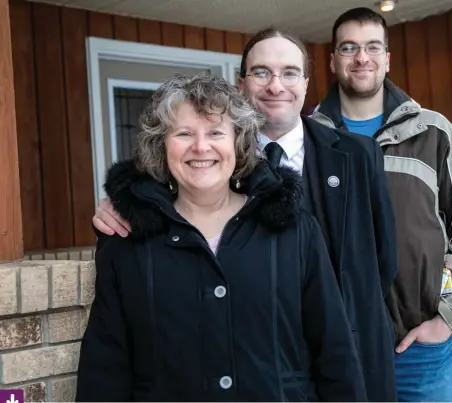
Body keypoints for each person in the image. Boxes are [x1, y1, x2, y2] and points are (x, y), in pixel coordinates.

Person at [92, 29, 399, 402]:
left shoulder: (319, 200)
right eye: (184, 133)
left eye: (215, 133)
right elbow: (106, 364)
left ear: (236, 143)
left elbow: (382, 263)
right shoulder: (131, 239)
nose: (201, 146)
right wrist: (125, 202)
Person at [309, 7, 452, 402]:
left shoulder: (432, 133)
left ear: (387, 59)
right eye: (349, 47)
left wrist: (447, 315)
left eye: (373, 47)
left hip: (421, 349)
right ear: (333, 60)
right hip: (338, 350)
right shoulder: (308, 140)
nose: (362, 58)